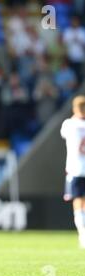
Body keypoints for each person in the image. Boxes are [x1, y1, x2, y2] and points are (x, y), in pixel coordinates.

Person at [61, 96, 85, 249]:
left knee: (77, 202)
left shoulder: (69, 124)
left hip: (75, 169)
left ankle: (82, 234)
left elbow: (64, 134)